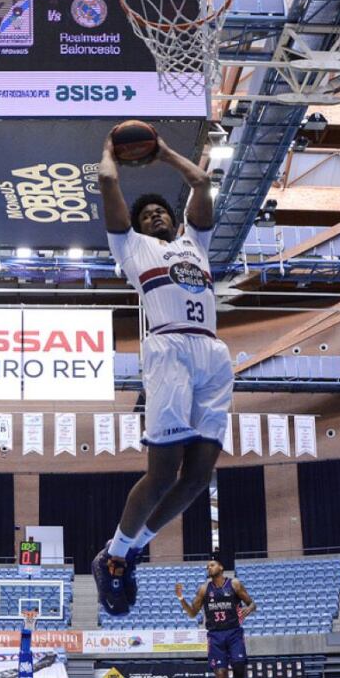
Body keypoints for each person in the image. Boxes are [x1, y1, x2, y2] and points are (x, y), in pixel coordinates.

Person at [92, 131, 231, 615]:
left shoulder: (196, 241)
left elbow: (201, 183)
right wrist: (112, 151)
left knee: (198, 478)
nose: (155, 214)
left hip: (212, 353)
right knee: (161, 474)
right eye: (146, 212)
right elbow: (108, 184)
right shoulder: (130, 248)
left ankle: (126, 550)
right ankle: (112, 556)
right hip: (169, 350)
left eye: (161, 212)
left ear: (174, 220)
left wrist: (163, 152)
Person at [176, 558, 256, 678]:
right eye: (207, 566)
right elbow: (192, 613)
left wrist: (249, 609)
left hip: (234, 632)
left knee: (239, 667)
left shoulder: (234, 584)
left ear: (221, 567)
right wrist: (181, 598)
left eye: (212, 565)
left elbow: (252, 603)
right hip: (215, 635)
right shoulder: (205, 589)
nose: (208, 568)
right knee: (220, 674)